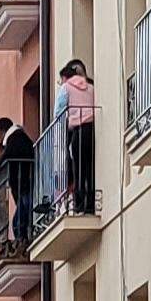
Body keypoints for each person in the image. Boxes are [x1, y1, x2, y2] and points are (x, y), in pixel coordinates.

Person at [55, 58, 97, 216]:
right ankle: (91, 204)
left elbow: (58, 112)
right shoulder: (91, 87)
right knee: (90, 168)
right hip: (91, 129)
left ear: (66, 77)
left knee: (78, 168)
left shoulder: (66, 88)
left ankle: (79, 205)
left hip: (78, 130)